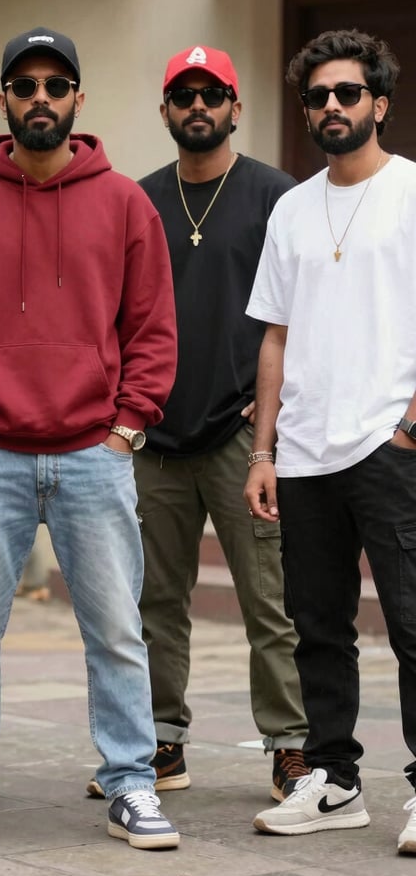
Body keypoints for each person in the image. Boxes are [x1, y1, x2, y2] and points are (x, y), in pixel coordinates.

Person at [0, 27, 180, 851]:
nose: (39, 98)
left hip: (94, 452)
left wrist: (128, 426)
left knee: (118, 631)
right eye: (24, 85)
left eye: (54, 85)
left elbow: (153, 328)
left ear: (76, 101)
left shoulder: (125, 202)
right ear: (4, 101)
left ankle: (132, 782)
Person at [86, 45, 308, 802]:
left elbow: (307, 309)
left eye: (213, 94)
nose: (199, 106)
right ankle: (159, 743)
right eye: (185, 95)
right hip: (153, 432)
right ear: (166, 112)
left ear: (235, 107)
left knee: (269, 600)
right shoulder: (137, 200)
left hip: (245, 436)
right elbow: (111, 312)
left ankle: (289, 746)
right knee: (151, 601)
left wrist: (280, 402)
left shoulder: (279, 196)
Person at [244, 29, 416, 853]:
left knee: (413, 621)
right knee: (317, 623)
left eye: (348, 93)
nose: (333, 107)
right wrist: (264, 450)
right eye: (318, 96)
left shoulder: (414, 192)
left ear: (379, 104)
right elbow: (274, 337)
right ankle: (336, 778)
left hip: (390, 443)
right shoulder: (290, 207)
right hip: (304, 451)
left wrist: (411, 423)